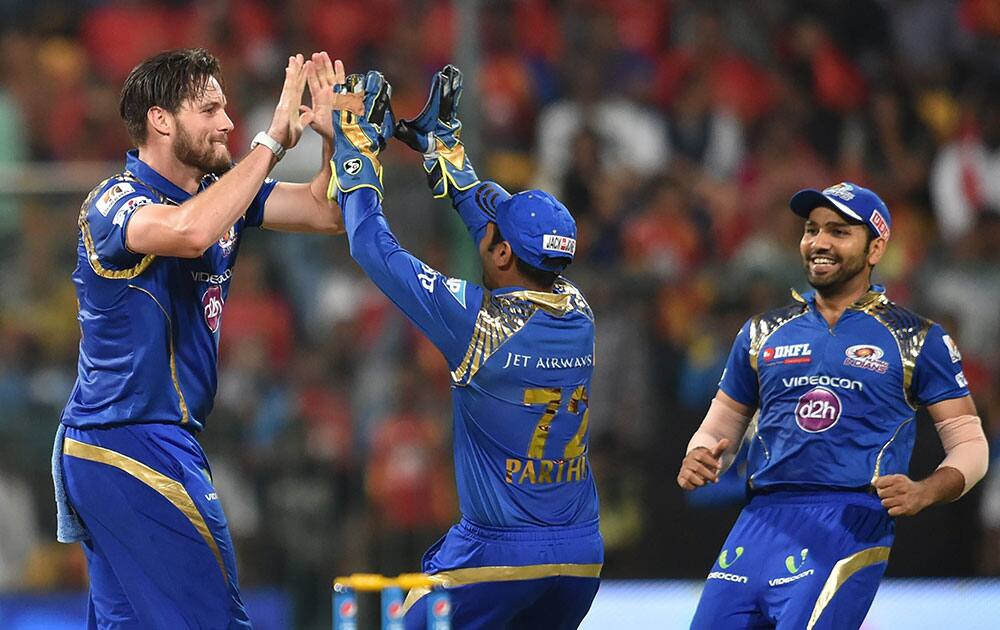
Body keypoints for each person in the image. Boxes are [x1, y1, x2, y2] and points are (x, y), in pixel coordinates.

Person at [53, 48, 361, 628]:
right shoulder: (114, 201)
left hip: (129, 445)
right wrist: (271, 144)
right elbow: (191, 232)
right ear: (161, 120)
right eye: (209, 109)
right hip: (131, 440)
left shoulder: (219, 193)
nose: (227, 122)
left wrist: (334, 137)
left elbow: (326, 212)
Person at [312, 65, 602, 629]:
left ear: (498, 254)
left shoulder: (477, 322)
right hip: (581, 558)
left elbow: (373, 246)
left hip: (495, 555)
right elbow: (498, 233)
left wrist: (356, 156)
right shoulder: (579, 310)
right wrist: (445, 153)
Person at [676, 182, 990, 629]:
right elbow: (720, 424)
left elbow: (971, 446)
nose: (819, 242)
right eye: (811, 229)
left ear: (876, 247)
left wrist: (926, 490)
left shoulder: (917, 339)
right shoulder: (763, 331)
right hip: (757, 521)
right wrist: (700, 454)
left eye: (839, 232)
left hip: (847, 521)